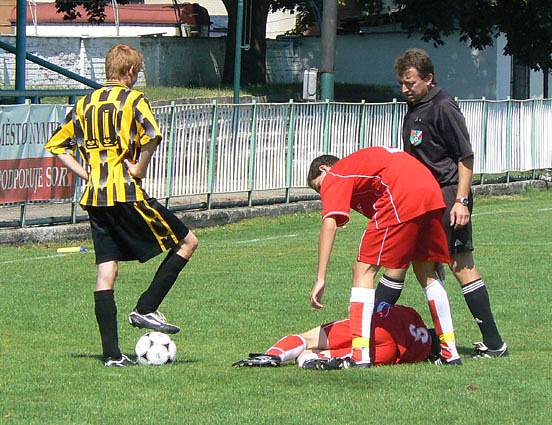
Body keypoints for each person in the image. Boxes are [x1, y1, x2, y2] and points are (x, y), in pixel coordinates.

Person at [45, 44, 198, 367]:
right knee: (187, 241)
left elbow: (57, 145)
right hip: (125, 193)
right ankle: (146, 308)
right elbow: (153, 135)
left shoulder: (85, 103)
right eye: (137, 73)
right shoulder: (132, 100)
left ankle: (112, 355)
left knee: (106, 271)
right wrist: (140, 169)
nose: (136, 78)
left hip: (94, 198)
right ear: (129, 72)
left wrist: (85, 172)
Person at [393, 48, 508, 358]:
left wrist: (461, 201)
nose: (405, 89)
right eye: (402, 83)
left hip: (447, 196)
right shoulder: (414, 106)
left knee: (461, 265)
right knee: (416, 265)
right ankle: (443, 344)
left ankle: (494, 344)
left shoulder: (444, 106)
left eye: (410, 83)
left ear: (429, 79)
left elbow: (465, 157)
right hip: (422, 200)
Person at [306, 147, 461, 367]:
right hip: (430, 189)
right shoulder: (361, 170)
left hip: (402, 192)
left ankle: (360, 355)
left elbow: (329, 224)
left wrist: (320, 277)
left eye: (320, 187)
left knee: (363, 269)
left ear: (324, 168)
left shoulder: (338, 172)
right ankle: (450, 352)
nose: (324, 194)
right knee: (425, 271)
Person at [233, 303, 440, 369]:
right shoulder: (422, 353)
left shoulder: (413, 313)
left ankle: (274, 355)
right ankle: (308, 359)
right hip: (389, 351)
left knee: (309, 337)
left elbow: (382, 305)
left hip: (375, 326)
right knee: (328, 354)